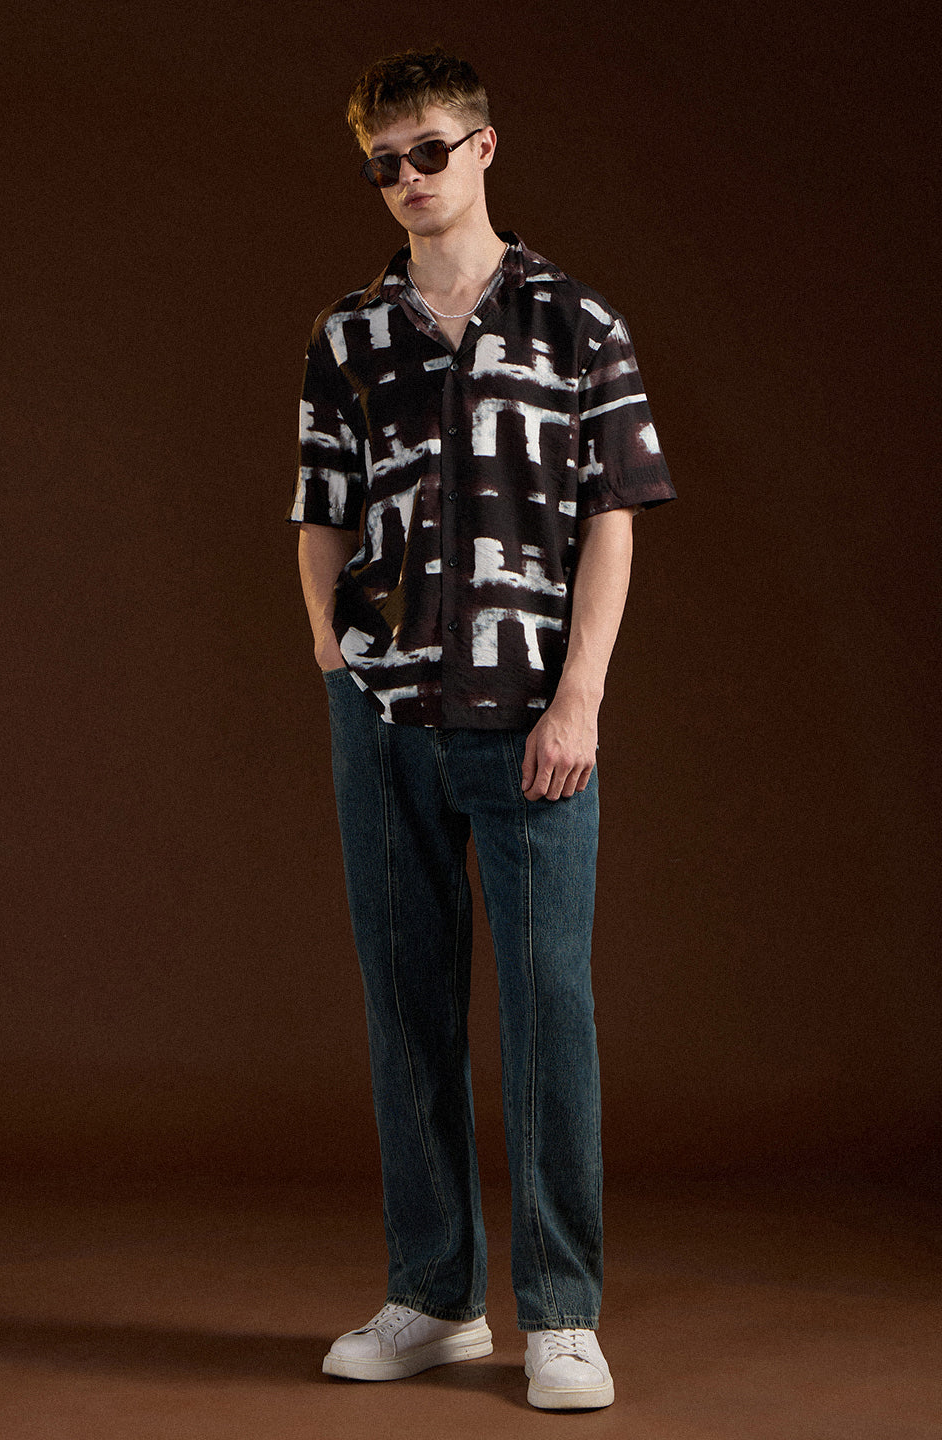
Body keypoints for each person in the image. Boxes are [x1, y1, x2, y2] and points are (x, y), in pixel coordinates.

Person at [288, 48, 675, 1411]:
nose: (407, 179)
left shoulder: (579, 323)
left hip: (531, 725)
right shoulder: (348, 336)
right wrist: (332, 647)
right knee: (407, 1008)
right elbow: (321, 505)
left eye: (429, 152)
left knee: (548, 1009)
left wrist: (581, 697)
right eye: (384, 163)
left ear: (484, 148)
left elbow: (613, 519)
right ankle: (434, 1296)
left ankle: (562, 1313)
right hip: (386, 717)